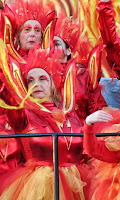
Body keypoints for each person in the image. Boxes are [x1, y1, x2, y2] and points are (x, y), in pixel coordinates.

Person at [0, 46, 88, 199]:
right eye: (31, 81)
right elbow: (6, 92)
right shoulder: (23, 115)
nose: (36, 84)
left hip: (77, 185)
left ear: (52, 85)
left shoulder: (71, 116)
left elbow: (87, 153)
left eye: (42, 79)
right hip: (36, 188)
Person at [53, 17, 107, 124]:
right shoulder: (40, 74)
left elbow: (95, 106)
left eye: (56, 44)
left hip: (79, 133)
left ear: (68, 51)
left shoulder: (82, 74)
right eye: (48, 43)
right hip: (50, 135)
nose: (51, 47)